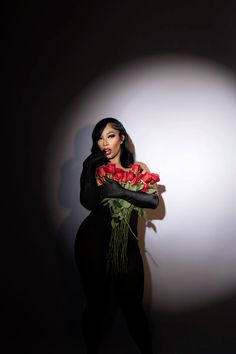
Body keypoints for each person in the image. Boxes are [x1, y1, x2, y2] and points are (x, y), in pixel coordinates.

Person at [74, 117, 159, 354]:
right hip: (92, 242)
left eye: (110, 135)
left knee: (133, 308)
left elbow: (152, 200)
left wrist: (118, 190)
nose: (105, 143)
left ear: (121, 138)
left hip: (127, 246)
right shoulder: (96, 169)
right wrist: (87, 166)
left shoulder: (137, 170)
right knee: (95, 305)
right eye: (99, 138)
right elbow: (89, 203)